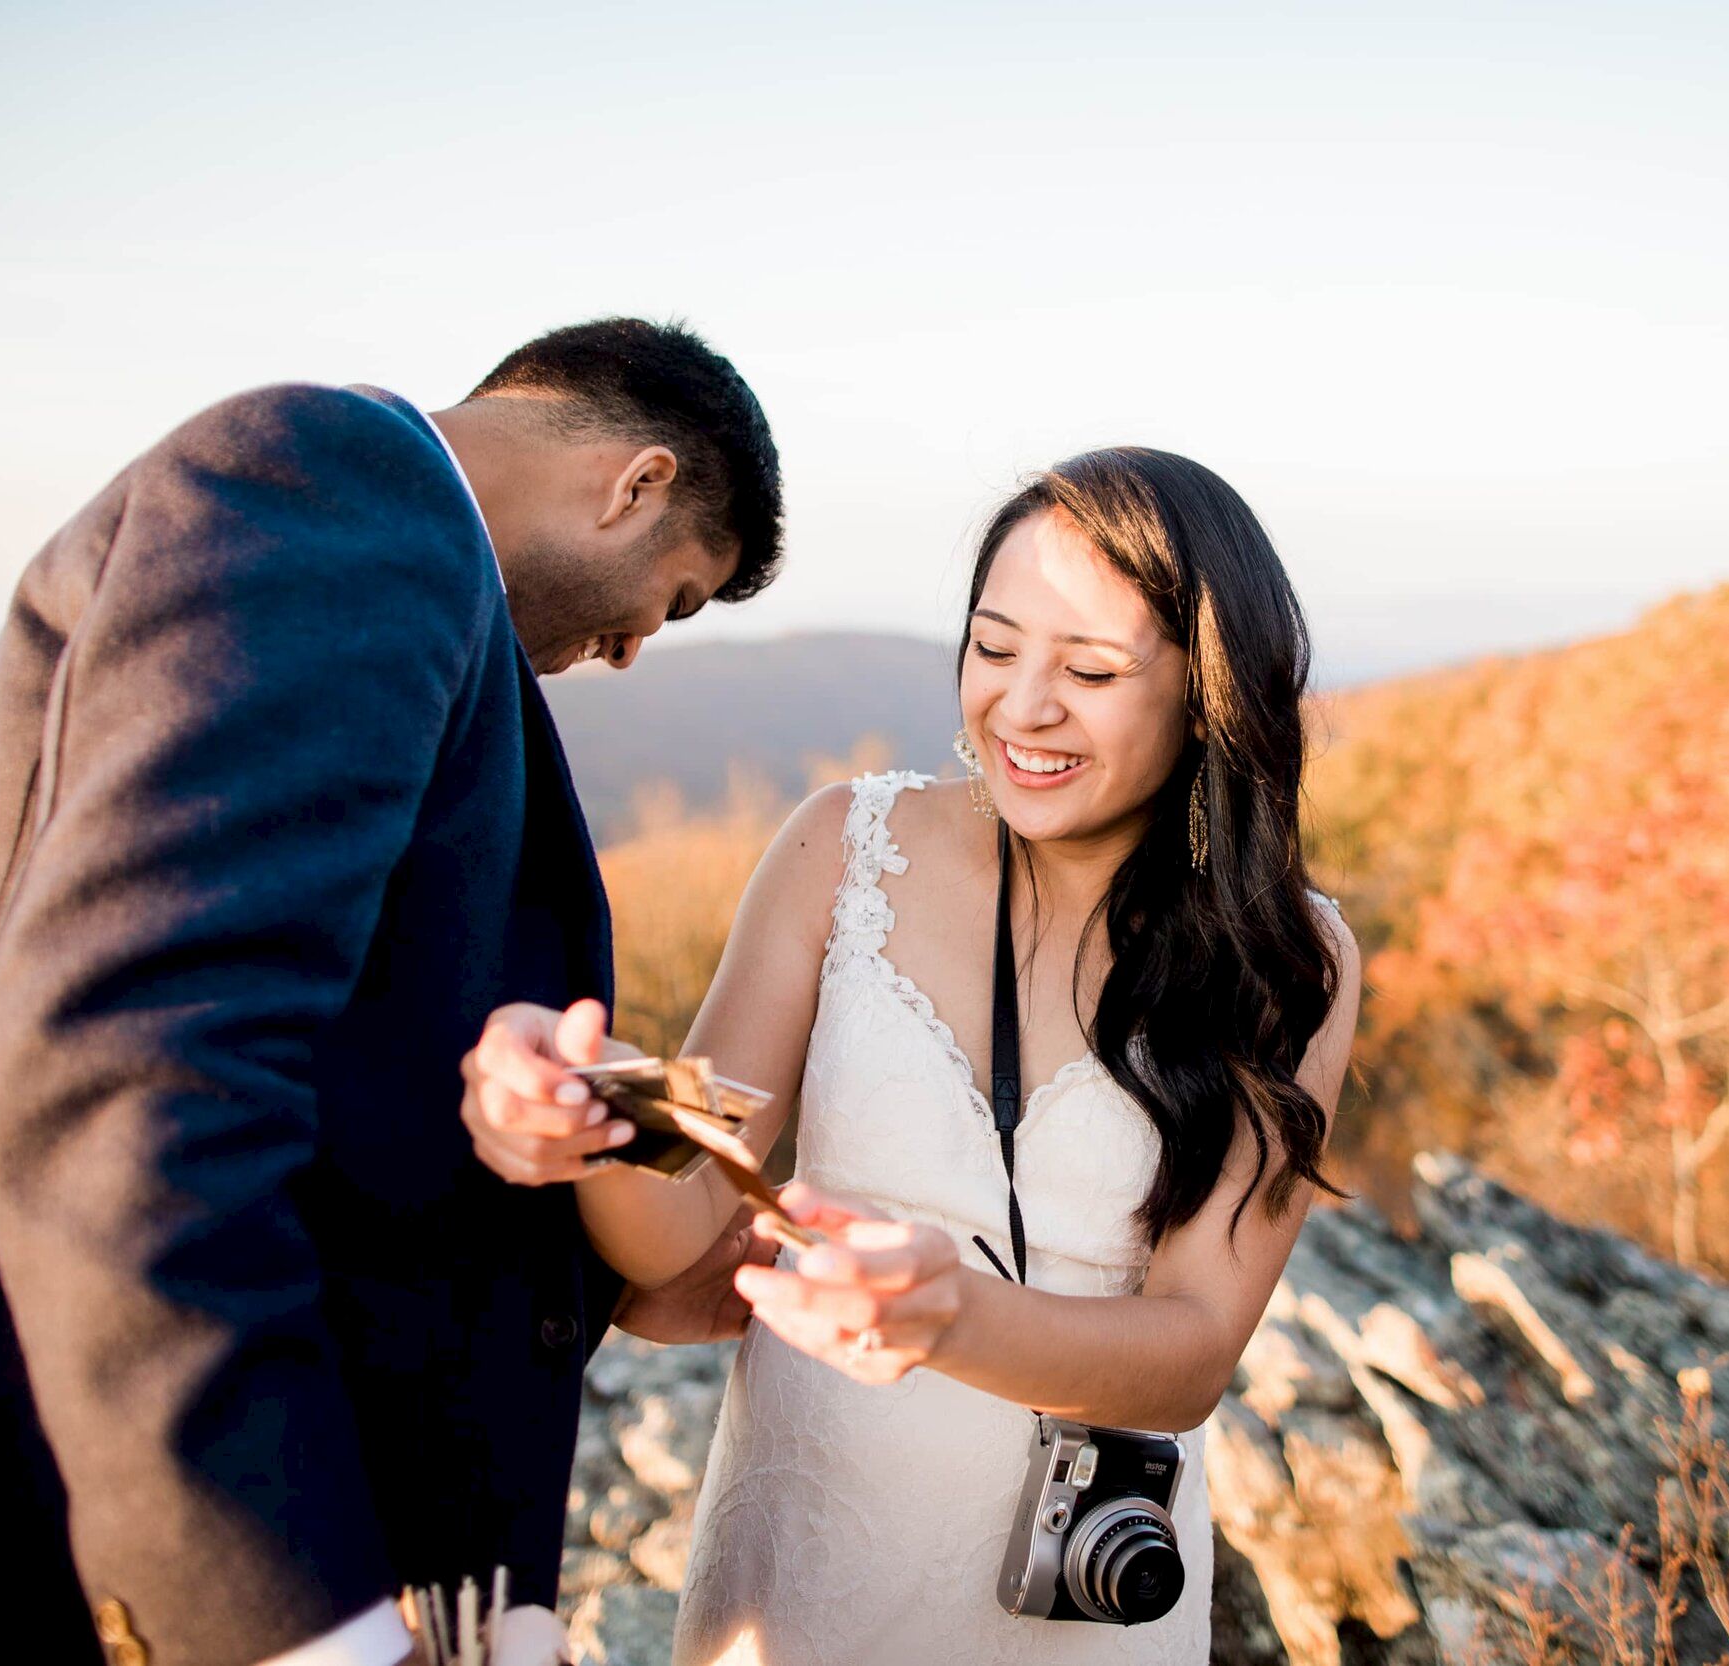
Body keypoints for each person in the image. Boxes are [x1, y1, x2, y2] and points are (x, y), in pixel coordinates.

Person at [0, 318, 785, 1666]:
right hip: (99, 1518)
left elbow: (350, 1071)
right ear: (633, 483)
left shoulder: (405, 577)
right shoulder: (341, 484)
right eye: (673, 596)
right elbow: (136, 1076)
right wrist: (307, 1625)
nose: (635, 648)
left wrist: (601, 1280)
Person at [462, 447, 1363, 1663]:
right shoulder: (841, 845)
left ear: (1206, 695)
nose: (1023, 706)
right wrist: (583, 1107)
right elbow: (679, 1208)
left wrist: (950, 1317)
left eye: (1090, 670)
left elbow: (1192, 1351)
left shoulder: (1289, 955)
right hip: (802, 1568)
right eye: (994, 649)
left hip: (1088, 1605)